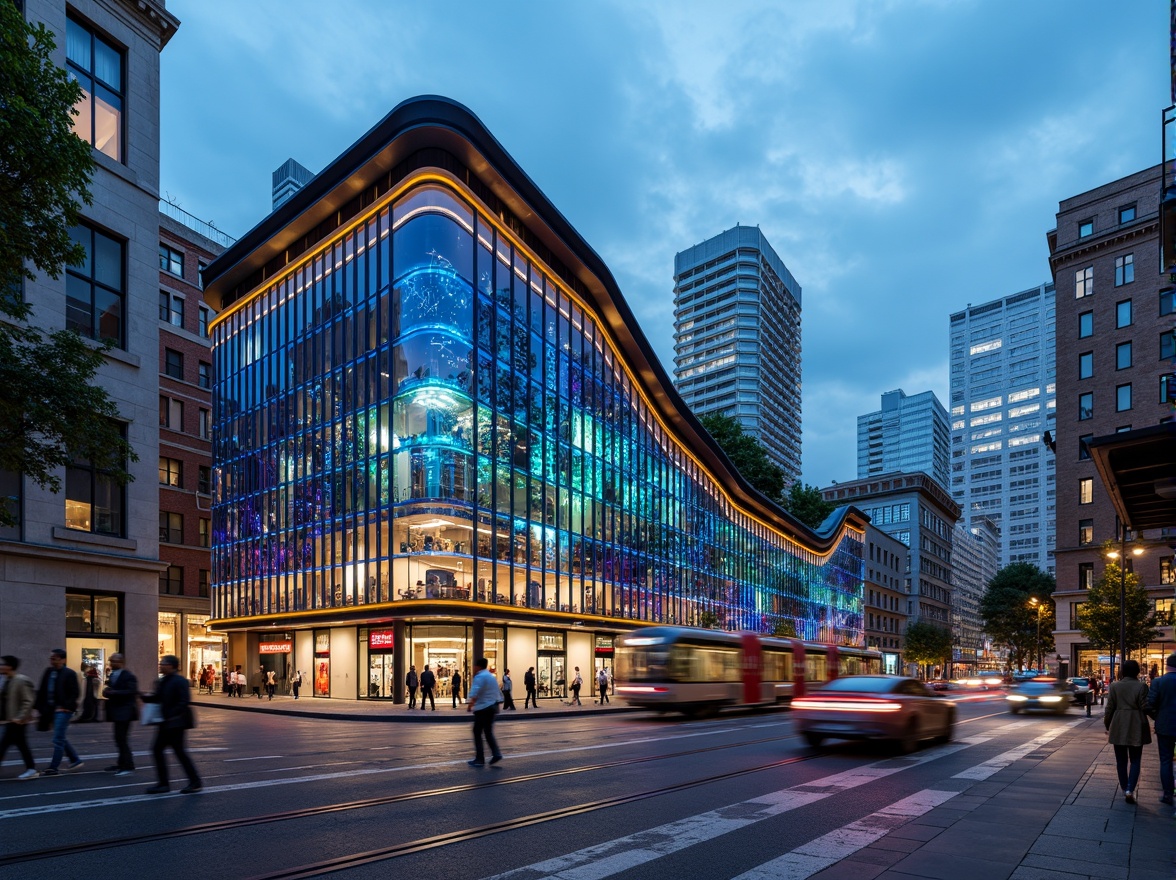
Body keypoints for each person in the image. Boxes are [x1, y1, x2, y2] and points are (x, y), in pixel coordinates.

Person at [143, 654, 202, 794]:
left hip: (175, 723)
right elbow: (158, 698)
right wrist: (145, 697)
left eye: (163, 663)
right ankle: (184, 782)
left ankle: (185, 782)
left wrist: (170, 715)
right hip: (166, 723)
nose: (161, 665)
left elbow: (183, 701)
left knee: (172, 751)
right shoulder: (163, 680)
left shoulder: (180, 681)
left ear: (171, 665)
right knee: (167, 751)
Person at [1105, 659, 1151, 804]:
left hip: (1119, 723)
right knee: (1136, 759)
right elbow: (1145, 706)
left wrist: (1107, 724)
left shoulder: (1114, 686)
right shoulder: (1141, 686)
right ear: (1137, 671)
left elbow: (1109, 707)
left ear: (1122, 671)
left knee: (1121, 760)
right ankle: (1130, 789)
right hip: (1136, 723)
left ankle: (1125, 788)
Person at [34, 648, 83, 776]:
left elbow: (75, 693)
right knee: (60, 737)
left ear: (63, 660)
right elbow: (42, 690)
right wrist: (39, 707)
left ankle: (53, 767)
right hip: (51, 709)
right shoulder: (48, 672)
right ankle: (75, 759)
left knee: (58, 738)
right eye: (51, 658)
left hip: (63, 710)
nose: (52, 660)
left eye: (55, 658)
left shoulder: (69, 673)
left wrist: (66, 706)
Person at [0, 655, 39, 779]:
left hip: (17, 721)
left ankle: (32, 769)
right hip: (10, 720)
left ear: (10, 666)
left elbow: (28, 700)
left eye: (3, 664)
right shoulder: (7, 680)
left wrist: (20, 717)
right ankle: (31, 768)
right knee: (20, 745)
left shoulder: (21, 680)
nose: (1, 666)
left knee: (4, 745)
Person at [1146, 651, 1176, 808]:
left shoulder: (1158, 682)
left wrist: (1157, 717)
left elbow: (1149, 704)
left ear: (1167, 666)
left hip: (1165, 725)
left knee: (1166, 760)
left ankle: (1167, 794)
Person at [101, 653, 138, 776]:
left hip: (125, 712)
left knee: (121, 738)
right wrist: (107, 691)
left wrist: (114, 692)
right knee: (118, 738)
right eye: (111, 661)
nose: (111, 663)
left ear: (121, 662)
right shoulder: (113, 675)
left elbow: (131, 691)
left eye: (114, 661)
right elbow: (112, 689)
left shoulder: (128, 676)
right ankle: (122, 763)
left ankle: (128, 765)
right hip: (117, 711)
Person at [466, 657, 503, 767]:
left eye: (474, 666)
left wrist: (470, 705)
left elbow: (475, 692)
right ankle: (496, 753)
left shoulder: (480, 676)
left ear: (477, 666)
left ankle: (479, 759)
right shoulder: (491, 677)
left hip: (483, 708)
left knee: (477, 732)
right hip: (492, 707)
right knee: (488, 732)